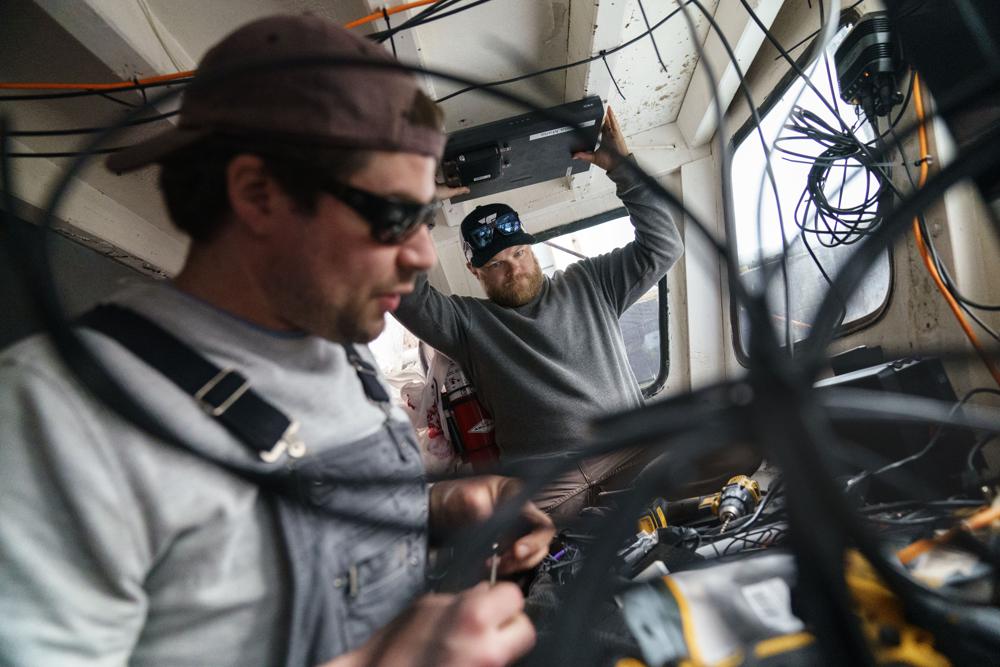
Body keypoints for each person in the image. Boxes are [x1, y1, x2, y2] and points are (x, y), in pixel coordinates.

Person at [0, 15, 553, 667]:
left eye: (426, 216)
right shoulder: (57, 414)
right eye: (398, 215)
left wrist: (437, 508)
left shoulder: (342, 350)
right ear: (258, 194)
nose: (423, 253)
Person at [394, 108, 684, 524]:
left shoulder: (591, 281)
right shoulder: (467, 323)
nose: (513, 268)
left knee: (693, 490)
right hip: (545, 484)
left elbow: (663, 247)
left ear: (531, 247)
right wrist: (419, 204)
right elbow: (405, 294)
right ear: (476, 273)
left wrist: (622, 169)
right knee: (544, 569)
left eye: (519, 252)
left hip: (626, 451)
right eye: (496, 263)